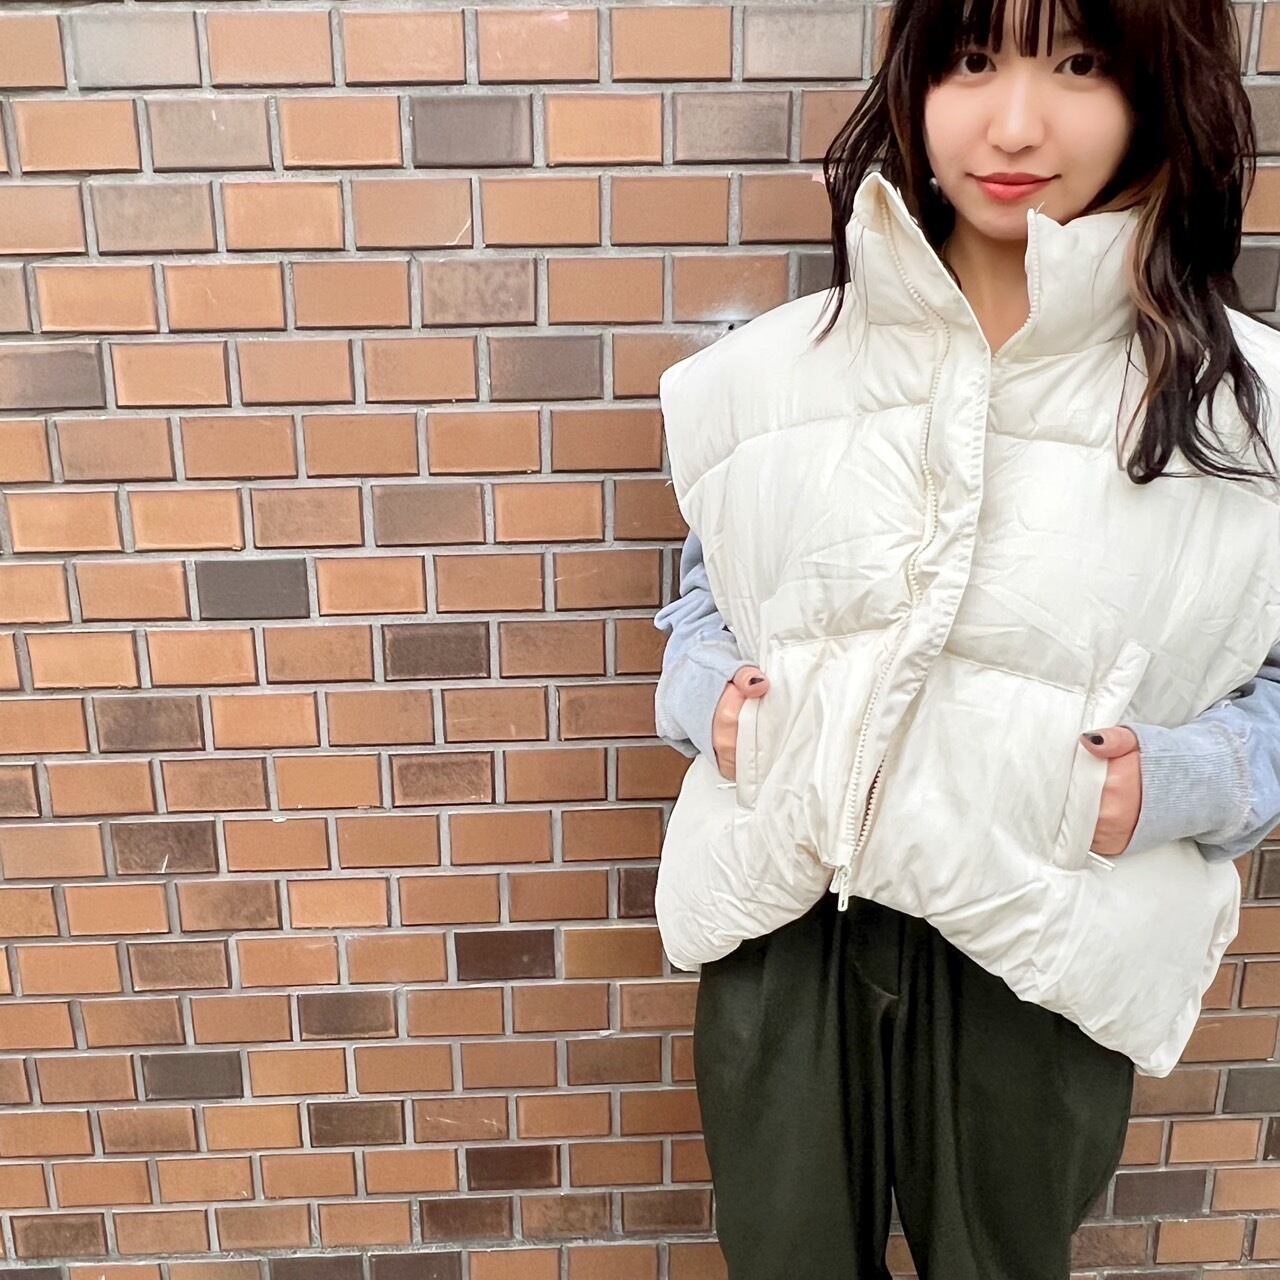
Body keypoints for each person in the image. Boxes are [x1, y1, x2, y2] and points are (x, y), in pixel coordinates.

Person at [649, 0, 1280, 1276]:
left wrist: (1176, 781)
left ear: (1153, 89)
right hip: (789, 920)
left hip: (1037, 942)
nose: (1012, 123)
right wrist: (708, 698)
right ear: (915, 83)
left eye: (1077, 64)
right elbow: (709, 590)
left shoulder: (1247, 413)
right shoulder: (763, 375)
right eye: (972, 60)